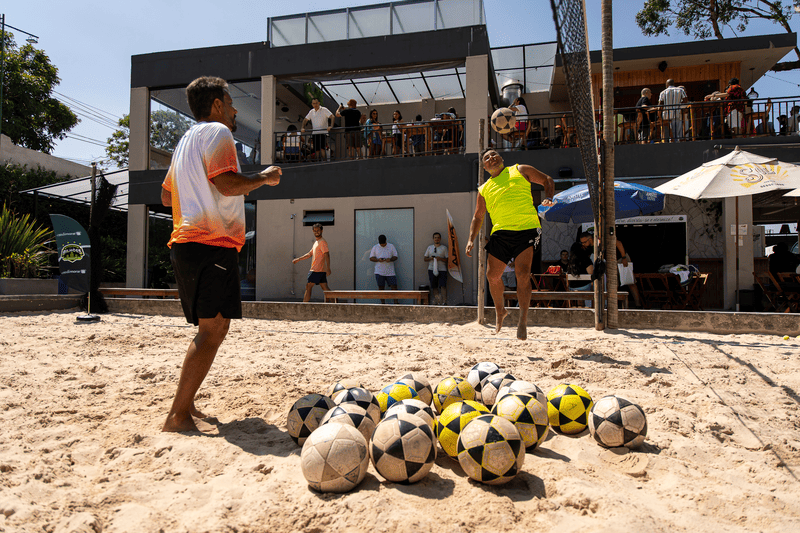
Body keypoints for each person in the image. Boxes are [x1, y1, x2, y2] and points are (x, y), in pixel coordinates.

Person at [160, 76, 282, 433]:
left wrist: (195, 194)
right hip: (210, 244)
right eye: (230, 103)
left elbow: (166, 196)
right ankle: (177, 416)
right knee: (213, 330)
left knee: (212, 327)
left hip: (187, 245)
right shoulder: (218, 132)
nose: (235, 110)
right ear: (216, 105)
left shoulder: (185, 140)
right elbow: (227, 183)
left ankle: (187, 404)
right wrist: (264, 177)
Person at [465, 150, 555, 340]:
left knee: (522, 274)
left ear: (502, 158)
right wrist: (471, 239)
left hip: (526, 228)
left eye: (494, 154)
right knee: (492, 276)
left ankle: (523, 319)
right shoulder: (484, 189)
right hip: (501, 232)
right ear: (484, 167)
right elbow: (478, 216)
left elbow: (547, 180)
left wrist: (549, 197)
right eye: (486, 158)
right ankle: (500, 310)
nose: (491, 158)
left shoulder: (520, 170)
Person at [292, 223, 332, 302]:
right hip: (320, 270)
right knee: (325, 288)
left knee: (308, 286)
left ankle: (304, 305)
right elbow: (310, 254)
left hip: (316, 270)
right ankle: (334, 303)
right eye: (315, 230)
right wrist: (298, 259)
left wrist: (328, 268)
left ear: (322, 231)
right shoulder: (316, 243)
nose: (316, 232)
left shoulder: (322, 242)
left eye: (318, 230)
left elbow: (327, 254)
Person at [369, 234, 398, 303]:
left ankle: (396, 303)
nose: (383, 245)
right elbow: (371, 258)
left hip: (390, 271)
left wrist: (390, 259)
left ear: (386, 241)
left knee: (394, 287)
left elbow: (396, 256)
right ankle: (383, 304)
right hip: (379, 271)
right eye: (381, 244)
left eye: (384, 244)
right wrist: (378, 260)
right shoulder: (375, 247)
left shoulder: (391, 246)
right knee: (381, 288)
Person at [424, 232, 448, 305]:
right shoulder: (429, 247)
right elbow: (425, 258)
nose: (436, 239)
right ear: (433, 239)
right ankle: (438, 302)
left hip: (442, 269)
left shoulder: (444, 248)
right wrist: (431, 258)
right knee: (434, 286)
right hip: (432, 269)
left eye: (438, 238)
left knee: (443, 286)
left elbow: (447, 259)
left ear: (440, 239)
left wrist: (440, 259)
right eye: (435, 238)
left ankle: (444, 302)